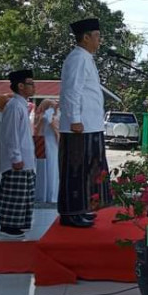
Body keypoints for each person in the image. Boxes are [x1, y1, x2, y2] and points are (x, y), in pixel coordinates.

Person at [58, 18, 110, 228]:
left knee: (88, 170)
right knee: (75, 171)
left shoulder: (86, 58)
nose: (99, 40)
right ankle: (70, 213)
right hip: (79, 127)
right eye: (97, 36)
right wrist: (75, 120)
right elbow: (72, 91)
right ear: (86, 37)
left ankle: (81, 208)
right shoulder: (78, 58)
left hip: (91, 125)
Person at [0, 70, 36, 238]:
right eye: (30, 83)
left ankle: (19, 224)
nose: (34, 87)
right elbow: (11, 134)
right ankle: (8, 226)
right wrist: (16, 157)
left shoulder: (21, 105)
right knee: (14, 195)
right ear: (20, 86)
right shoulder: (13, 106)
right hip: (17, 161)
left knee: (23, 195)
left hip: (26, 158)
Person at [35, 99, 60, 203]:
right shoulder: (49, 115)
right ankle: (51, 194)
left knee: (45, 167)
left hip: (44, 142)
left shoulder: (42, 116)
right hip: (51, 143)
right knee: (52, 166)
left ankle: (43, 193)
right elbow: (55, 130)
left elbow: (37, 130)